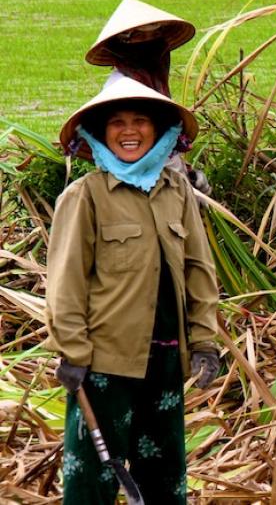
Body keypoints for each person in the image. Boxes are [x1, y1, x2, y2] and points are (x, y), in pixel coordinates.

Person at [46, 73, 220, 504]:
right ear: (100, 135)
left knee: (164, 476)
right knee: (93, 482)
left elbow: (199, 269)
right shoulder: (85, 196)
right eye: (117, 122)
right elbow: (65, 283)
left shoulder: (175, 190)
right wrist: (72, 352)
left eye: (140, 120)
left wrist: (204, 342)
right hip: (104, 365)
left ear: (159, 132)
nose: (129, 131)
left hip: (165, 360)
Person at [86, 0, 210, 195]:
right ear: (121, 46)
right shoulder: (121, 92)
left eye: (152, 37)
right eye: (138, 37)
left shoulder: (153, 85)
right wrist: (187, 192)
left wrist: (188, 178)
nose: (147, 45)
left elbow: (166, 149)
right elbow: (136, 162)